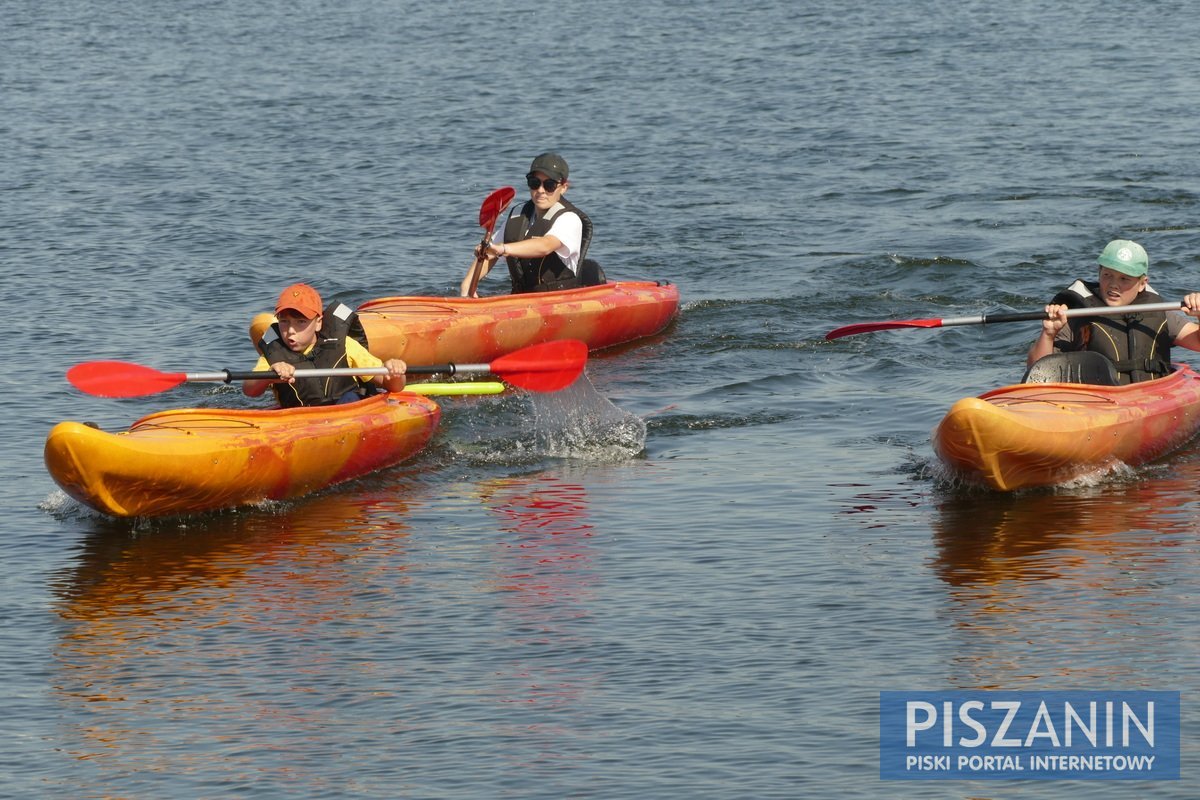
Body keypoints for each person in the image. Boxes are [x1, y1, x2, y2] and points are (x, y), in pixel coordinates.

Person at [1027, 239, 1200, 384]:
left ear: (1142, 283)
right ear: (1099, 272)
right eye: (1107, 275)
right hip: (1098, 401)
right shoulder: (1077, 315)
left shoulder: (1157, 312)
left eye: (1124, 278)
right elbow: (1036, 372)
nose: (1113, 285)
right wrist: (1048, 334)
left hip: (1151, 397)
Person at [460, 152, 604, 297]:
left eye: (549, 185)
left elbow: (546, 245)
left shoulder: (570, 219)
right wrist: (467, 286)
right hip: (521, 297)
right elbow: (491, 254)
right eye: (534, 183)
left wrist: (503, 249)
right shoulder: (518, 214)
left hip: (558, 300)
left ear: (564, 187)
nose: (540, 191)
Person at [244, 283, 407, 406]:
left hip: (348, 412)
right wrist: (268, 376)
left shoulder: (344, 345)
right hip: (300, 420)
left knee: (349, 398)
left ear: (318, 323)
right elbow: (249, 390)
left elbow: (392, 386)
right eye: (284, 322)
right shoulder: (274, 355)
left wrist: (395, 374)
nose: (290, 330)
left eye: (301, 322)